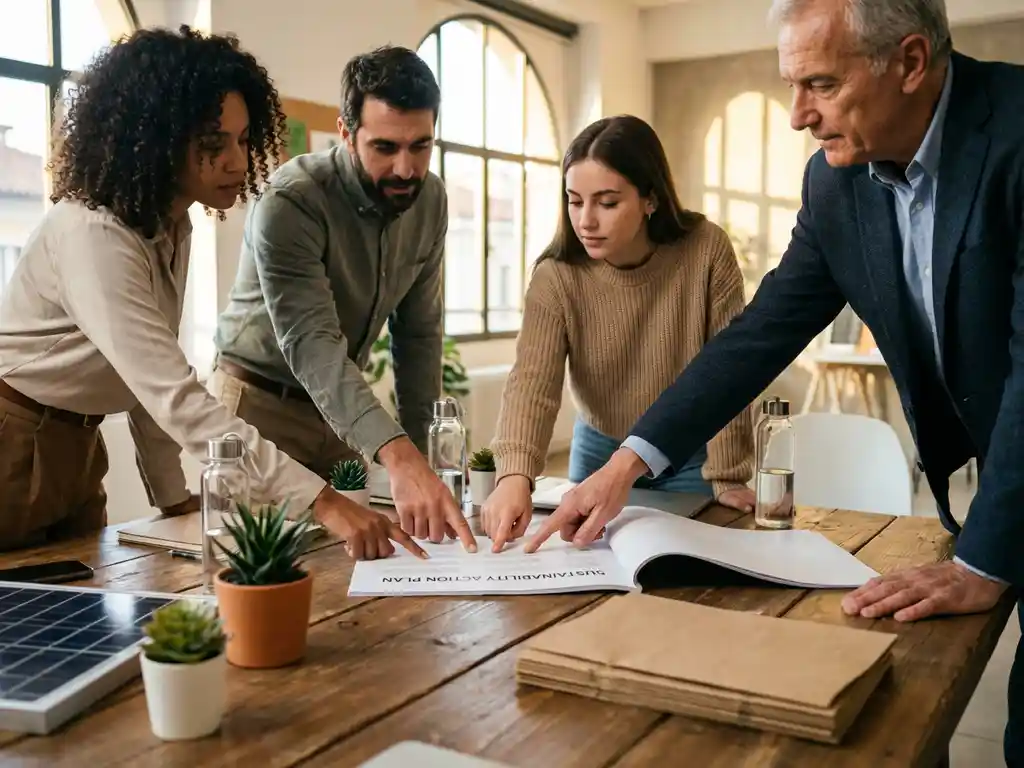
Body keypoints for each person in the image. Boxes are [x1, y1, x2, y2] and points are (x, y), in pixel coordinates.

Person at [525, 0, 1024, 762]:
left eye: (819, 84)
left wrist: (983, 560)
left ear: (912, 62)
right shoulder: (837, 183)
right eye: (792, 86)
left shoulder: (1017, 133)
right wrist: (627, 462)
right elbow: (754, 338)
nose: (798, 116)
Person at [0, 25, 426, 562]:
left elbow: (147, 382)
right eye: (211, 145)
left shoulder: (171, 225)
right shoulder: (93, 232)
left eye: (244, 140)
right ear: (155, 139)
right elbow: (172, 396)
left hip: (78, 446)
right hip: (13, 439)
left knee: (79, 610)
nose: (236, 162)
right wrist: (325, 504)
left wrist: (173, 502)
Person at [209, 45, 474, 551]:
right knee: (256, 574)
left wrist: (420, 459)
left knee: (360, 567)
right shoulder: (291, 202)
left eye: (421, 146)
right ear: (347, 134)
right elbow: (312, 343)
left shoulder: (430, 200)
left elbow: (418, 335)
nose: (405, 168)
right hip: (258, 409)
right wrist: (397, 457)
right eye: (385, 147)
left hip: (337, 415)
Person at [481, 115, 756, 552]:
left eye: (606, 203)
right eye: (574, 201)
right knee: (592, 572)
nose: (586, 220)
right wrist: (514, 476)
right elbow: (531, 384)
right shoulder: (556, 276)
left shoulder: (706, 250)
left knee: (682, 579)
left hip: (690, 456)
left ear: (650, 199)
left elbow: (730, 365)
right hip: (599, 450)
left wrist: (727, 475)